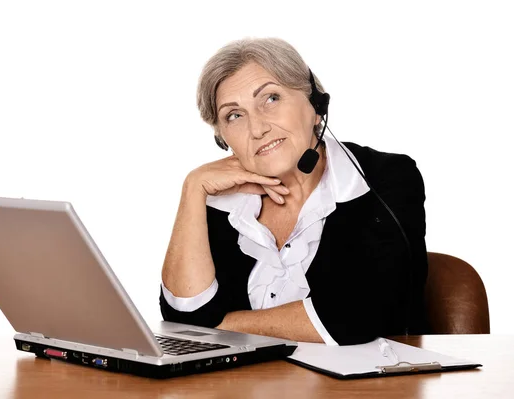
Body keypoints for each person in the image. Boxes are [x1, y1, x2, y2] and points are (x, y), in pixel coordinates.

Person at [159, 38, 428, 345]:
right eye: (234, 115)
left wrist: (221, 325)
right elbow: (184, 320)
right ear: (224, 140)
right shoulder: (220, 201)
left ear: (316, 106)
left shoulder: (384, 179)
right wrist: (193, 189)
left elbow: (358, 316)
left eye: (271, 99)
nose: (257, 128)